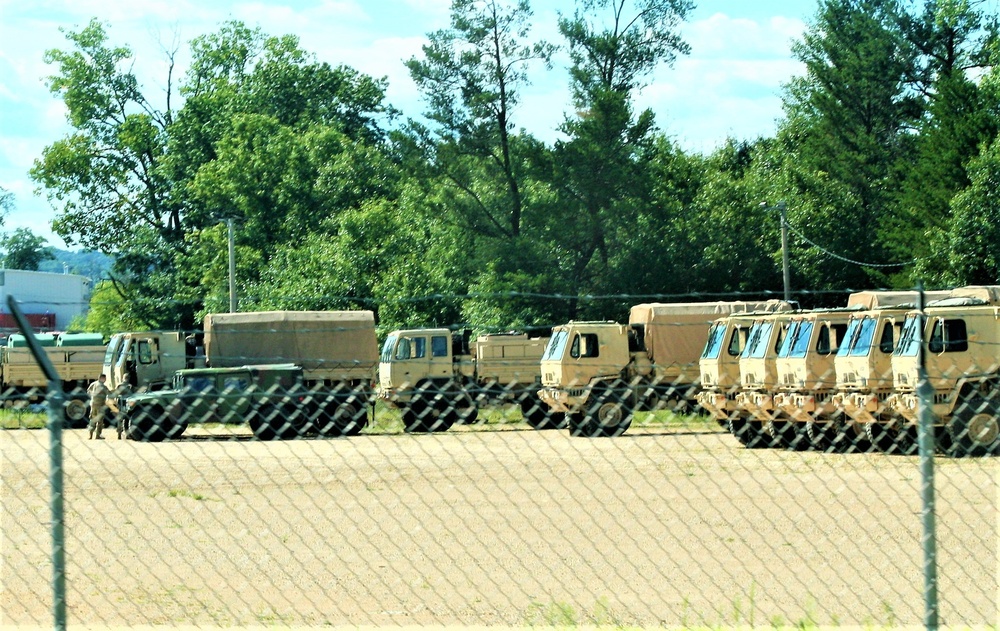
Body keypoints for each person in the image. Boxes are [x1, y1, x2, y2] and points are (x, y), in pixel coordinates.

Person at [87, 374, 110, 440]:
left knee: (92, 420)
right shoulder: (103, 387)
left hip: (93, 404)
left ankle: (90, 435)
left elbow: (88, 391)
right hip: (100, 405)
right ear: (102, 378)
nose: (105, 380)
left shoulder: (93, 384)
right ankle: (98, 435)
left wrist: (92, 396)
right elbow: (109, 394)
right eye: (105, 378)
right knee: (100, 421)